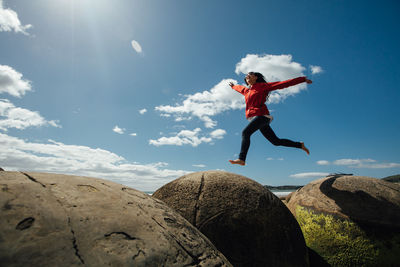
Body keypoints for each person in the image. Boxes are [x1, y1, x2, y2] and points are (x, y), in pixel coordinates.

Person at [228, 72, 312, 166]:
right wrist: (233, 86)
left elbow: (283, 84)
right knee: (276, 142)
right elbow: (239, 88)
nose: (247, 76)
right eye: (246, 75)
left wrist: (302, 79)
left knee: (245, 133)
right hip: (255, 118)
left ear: (256, 77)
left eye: (250, 74)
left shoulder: (262, 86)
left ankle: (241, 159)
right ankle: (300, 145)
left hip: (262, 116)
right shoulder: (246, 91)